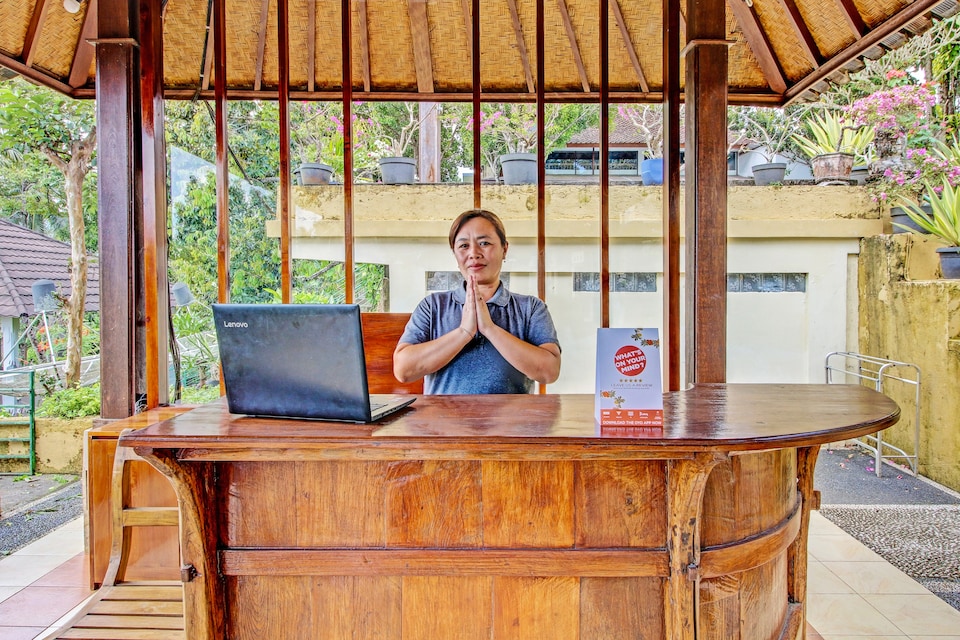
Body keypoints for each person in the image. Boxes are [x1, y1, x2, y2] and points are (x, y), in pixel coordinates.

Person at [394, 209, 561, 394]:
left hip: (512, 423)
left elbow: (549, 372)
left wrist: (490, 329)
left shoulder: (530, 308)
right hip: (443, 422)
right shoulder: (433, 306)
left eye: (484, 243)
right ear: (455, 254)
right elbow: (403, 370)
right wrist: (464, 332)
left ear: (504, 249)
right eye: (464, 246)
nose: (474, 253)